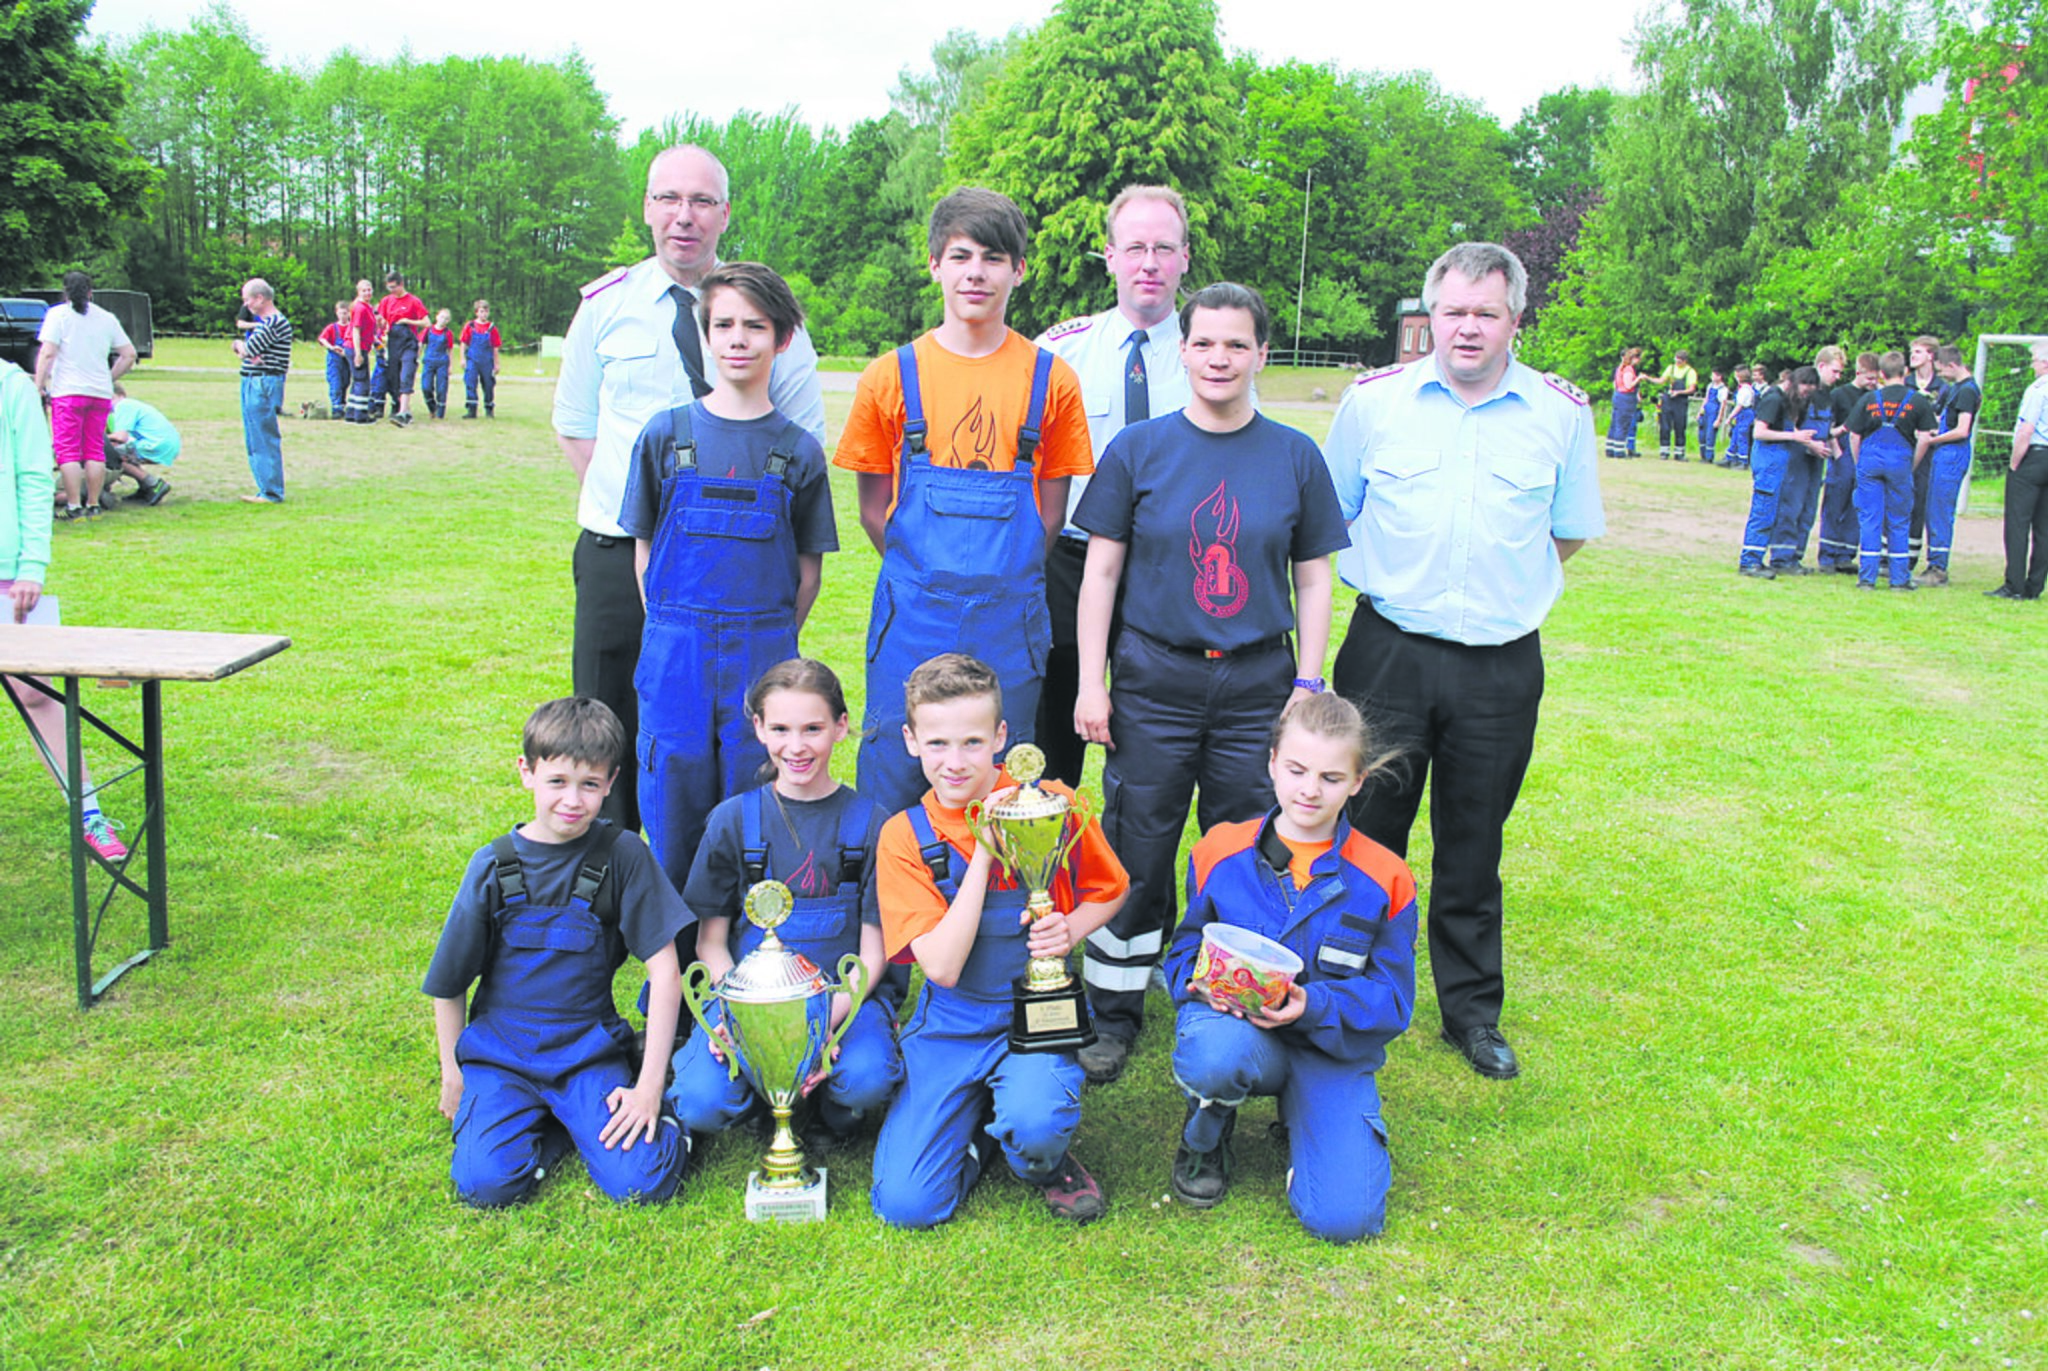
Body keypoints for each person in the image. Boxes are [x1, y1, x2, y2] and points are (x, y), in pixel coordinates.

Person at [1320, 242, 1604, 1081]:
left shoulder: (1560, 412)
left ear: (1517, 317)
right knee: (1366, 828)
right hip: (1387, 653)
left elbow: (1569, 526)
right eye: (1453, 311)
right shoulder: (1374, 403)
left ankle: (1471, 1013)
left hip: (1498, 664)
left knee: (1476, 840)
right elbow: (1334, 512)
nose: (1468, 327)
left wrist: (1495, 591)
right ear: (1428, 315)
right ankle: (1344, 981)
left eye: (1487, 311)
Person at [1066, 282, 1347, 1084]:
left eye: (1237, 344)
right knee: (1138, 844)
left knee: (1244, 849)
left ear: (1262, 353)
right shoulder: (1140, 450)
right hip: (1154, 679)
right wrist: (1094, 681)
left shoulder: (1294, 455)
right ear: (1181, 351)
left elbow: (1316, 579)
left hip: (1259, 684)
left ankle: (1231, 995)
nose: (1220, 358)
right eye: (1205, 343)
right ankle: (1115, 1011)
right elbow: (1102, 572)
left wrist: (1309, 681)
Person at [553, 144, 826, 835]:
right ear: (646, 208)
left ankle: (725, 886)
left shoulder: (766, 317)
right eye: (669, 199)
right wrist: (654, 522)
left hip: (734, 583)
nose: (685, 217)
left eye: (702, 201)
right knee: (606, 730)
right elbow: (577, 426)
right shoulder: (605, 308)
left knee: (736, 738)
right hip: (623, 557)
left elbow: (800, 450)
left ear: (725, 214)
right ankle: (611, 884)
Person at [833, 188, 1092, 818]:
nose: (976, 272)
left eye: (994, 258)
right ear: (935, 264)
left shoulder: (1051, 379)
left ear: (1019, 270)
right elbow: (876, 511)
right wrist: (930, 573)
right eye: (961, 255)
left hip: (1012, 617)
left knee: (1009, 771)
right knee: (897, 762)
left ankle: (1002, 911)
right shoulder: (890, 376)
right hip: (914, 610)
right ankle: (891, 908)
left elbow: (1049, 515)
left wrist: (997, 571)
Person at [868, 654, 1128, 1228]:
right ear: (911, 741)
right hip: (951, 1024)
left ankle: (1044, 1157)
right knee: (906, 1207)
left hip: (1037, 1011)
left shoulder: (1050, 803)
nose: (954, 763)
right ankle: (981, 1131)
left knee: (1035, 1129)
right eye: (937, 744)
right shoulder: (904, 837)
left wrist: (1071, 928)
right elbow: (941, 968)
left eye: (972, 742)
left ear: (1001, 737)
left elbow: (1112, 889)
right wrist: (986, 851)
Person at [1163, 693, 1417, 1242]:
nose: (1309, 789)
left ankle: (1310, 1123)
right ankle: (1208, 1128)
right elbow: (1183, 950)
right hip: (1235, 1031)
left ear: (1357, 780)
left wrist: (1315, 1004)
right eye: (1297, 770)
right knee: (1215, 1055)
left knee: (1344, 1220)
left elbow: (1394, 1002)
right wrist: (1201, 985)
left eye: (1330, 777)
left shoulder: (1387, 877)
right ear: (1273, 761)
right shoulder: (1218, 851)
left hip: (1328, 1045)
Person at [616, 263, 836, 890]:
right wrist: (671, 630)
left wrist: (761, 636)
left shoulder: (797, 451)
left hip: (761, 655)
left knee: (757, 801)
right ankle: (674, 963)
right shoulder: (666, 435)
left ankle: (751, 961)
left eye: (756, 326)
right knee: (672, 798)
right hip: (675, 652)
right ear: (705, 333)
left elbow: (807, 574)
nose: (738, 339)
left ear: (782, 339)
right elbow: (645, 552)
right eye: (725, 325)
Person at [423, 697, 691, 1207]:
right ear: (526, 772)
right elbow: (449, 982)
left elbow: (665, 971)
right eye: (558, 782)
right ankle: (555, 1130)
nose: (573, 800)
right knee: (486, 1185)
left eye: (590, 785)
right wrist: (452, 1071)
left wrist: (649, 1087)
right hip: (501, 1056)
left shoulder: (622, 856)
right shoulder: (491, 867)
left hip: (586, 1053)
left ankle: (652, 1124)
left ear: (611, 783)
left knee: (641, 1183)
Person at [666, 659, 901, 1142]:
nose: (796, 747)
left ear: (840, 727)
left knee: (866, 1083)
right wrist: (747, 1022)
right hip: (745, 1003)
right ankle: (762, 1092)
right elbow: (711, 942)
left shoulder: (871, 823)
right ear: (758, 728)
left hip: (842, 1003)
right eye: (780, 729)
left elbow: (874, 952)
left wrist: (815, 1030)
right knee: (699, 1104)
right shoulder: (733, 821)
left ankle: (831, 1110)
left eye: (813, 728)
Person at [1032, 185, 1194, 791]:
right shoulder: (1058, 351)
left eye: (1163, 247)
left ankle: (1133, 871)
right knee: (1050, 742)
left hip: (1168, 570)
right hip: (1070, 564)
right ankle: (1046, 867)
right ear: (1109, 255)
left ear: (1185, 256)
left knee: (1150, 743)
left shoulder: (1207, 352)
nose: (1148, 263)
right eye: (1134, 248)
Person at [2, 359, 128, 861]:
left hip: (10, 572)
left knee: (35, 698)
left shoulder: (11, 385)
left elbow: (35, 477)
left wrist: (32, 564)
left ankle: (89, 813)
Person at [33, 271, 136, 521]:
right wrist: (109, 377)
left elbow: (47, 353)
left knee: (67, 451)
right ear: (91, 292)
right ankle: (93, 503)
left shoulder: (58, 315)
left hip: (68, 392)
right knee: (94, 450)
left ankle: (73, 505)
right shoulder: (106, 318)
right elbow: (129, 354)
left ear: (65, 292)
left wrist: (39, 384)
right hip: (99, 393)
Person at [1846, 351, 1938, 591]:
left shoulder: (1868, 399)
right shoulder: (1918, 400)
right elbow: (1926, 437)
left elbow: (1853, 435)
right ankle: (1899, 579)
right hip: (1900, 461)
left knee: (1870, 519)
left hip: (1870, 460)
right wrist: (1912, 465)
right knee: (1899, 520)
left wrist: (1859, 463)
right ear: (1905, 372)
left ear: (1881, 374)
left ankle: (1867, 578)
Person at [1739, 366, 1827, 580]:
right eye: (1805, 391)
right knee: (1763, 511)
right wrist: (1794, 437)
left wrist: (1809, 442)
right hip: (1767, 459)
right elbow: (1759, 432)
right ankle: (1750, 560)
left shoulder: (1788, 399)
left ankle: (1759, 559)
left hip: (1779, 461)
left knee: (1772, 513)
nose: (1805, 396)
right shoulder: (1774, 398)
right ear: (1795, 383)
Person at [1768, 349, 1844, 575]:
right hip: (1797, 456)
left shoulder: (1828, 397)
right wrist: (1810, 445)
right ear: (1821, 366)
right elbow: (1791, 426)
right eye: (1835, 371)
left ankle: (1796, 557)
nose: (1838, 377)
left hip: (1817, 459)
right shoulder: (1800, 393)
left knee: (1808, 509)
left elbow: (1827, 428)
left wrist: (1835, 451)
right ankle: (1781, 557)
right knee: (1791, 506)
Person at [1986, 340, 2048, 601]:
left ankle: (2014, 584)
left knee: (2018, 523)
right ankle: (2035, 585)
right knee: (2044, 527)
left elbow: (2026, 429)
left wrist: (2014, 463)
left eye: (2034, 360)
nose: (2032, 365)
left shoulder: (2038, 390)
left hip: (2034, 457)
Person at [1918, 345, 1982, 588]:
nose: (1941, 375)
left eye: (1942, 370)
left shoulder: (1966, 391)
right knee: (1933, 509)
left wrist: (1932, 440)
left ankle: (1938, 568)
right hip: (1945, 451)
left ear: (1953, 366)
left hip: (1952, 454)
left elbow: (1962, 430)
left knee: (1940, 511)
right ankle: (1934, 563)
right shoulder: (1957, 388)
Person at [232, 279, 291, 506]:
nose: (246, 305)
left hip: (261, 382)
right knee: (256, 437)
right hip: (256, 380)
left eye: (247, 299)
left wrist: (239, 345)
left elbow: (249, 350)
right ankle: (266, 488)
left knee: (262, 437)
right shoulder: (269, 323)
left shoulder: (272, 323)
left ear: (260, 298)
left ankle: (270, 491)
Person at [1819, 352, 1879, 574]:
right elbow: (1829, 427)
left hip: (1866, 453)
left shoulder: (1876, 397)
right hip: (1843, 451)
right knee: (1835, 504)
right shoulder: (1839, 395)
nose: (1873, 383)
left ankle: (1846, 554)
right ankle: (1827, 555)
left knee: (1857, 505)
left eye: (1876, 378)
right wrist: (1838, 454)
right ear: (1858, 373)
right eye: (1870, 378)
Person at [1905, 334, 1949, 570]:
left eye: (1918, 352)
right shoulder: (1904, 383)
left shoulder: (1942, 388)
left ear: (1931, 356)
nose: (1913, 355)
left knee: (1921, 501)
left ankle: (1912, 555)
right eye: (1912, 351)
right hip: (1903, 448)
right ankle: (1888, 554)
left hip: (1929, 452)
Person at [102, 384, 176, 506]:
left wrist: (98, 438)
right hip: (165, 443)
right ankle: (144, 488)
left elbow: (121, 437)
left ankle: (153, 484)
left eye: (111, 398)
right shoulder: (131, 405)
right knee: (122, 451)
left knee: (112, 455)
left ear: (122, 396)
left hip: (156, 445)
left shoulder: (123, 405)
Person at [376, 272, 429, 427]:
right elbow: (382, 321)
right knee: (394, 376)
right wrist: (380, 323)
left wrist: (408, 320)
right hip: (393, 342)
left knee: (406, 374)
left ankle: (403, 413)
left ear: (401, 284)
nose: (391, 290)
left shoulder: (413, 301)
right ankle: (401, 407)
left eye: (393, 287)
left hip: (409, 342)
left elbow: (427, 323)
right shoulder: (386, 301)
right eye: (389, 287)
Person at [1646, 349, 1698, 460]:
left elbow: (1692, 389)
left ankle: (1679, 453)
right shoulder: (1671, 368)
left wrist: (1679, 392)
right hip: (1668, 400)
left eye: (1679, 362)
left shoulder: (1690, 372)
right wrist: (1648, 378)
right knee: (1665, 426)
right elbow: (1662, 380)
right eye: (1676, 361)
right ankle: (1664, 451)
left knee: (1680, 426)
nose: (1677, 363)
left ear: (1685, 361)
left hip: (1681, 401)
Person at [460, 300, 500, 420]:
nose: (484, 314)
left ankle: (489, 408)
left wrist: (496, 364)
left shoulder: (492, 328)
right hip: (472, 359)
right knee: (470, 383)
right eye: (481, 311)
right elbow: (463, 343)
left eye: (486, 311)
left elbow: (495, 347)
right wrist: (462, 359)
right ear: (476, 312)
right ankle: (471, 410)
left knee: (488, 384)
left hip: (487, 361)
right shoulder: (470, 326)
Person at [345, 280, 378, 425]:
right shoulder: (360, 308)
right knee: (362, 381)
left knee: (357, 380)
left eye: (369, 290)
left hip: (362, 345)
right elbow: (356, 330)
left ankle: (351, 412)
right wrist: (358, 353)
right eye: (364, 290)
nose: (367, 293)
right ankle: (360, 414)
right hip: (355, 346)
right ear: (358, 292)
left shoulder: (367, 307)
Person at [1607, 346, 1643, 459]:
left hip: (1618, 396)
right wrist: (1639, 379)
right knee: (1622, 424)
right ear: (1635, 358)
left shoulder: (1620, 368)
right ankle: (1619, 451)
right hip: (1625, 398)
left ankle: (1610, 448)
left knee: (1615, 423)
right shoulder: (1628, 369)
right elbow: (1628, 385)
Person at [317, 302, 351, 420]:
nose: (343, 315)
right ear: (336, 313)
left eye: (345, 313)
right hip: (334, 359)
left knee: (345, 382)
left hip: (347, 360)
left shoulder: (351, 328)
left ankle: (342, 405)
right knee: (335, 383)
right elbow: (322, 339)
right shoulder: (332, 327)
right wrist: (332, 347)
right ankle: (336, 408)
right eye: (341, 313)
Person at [420, 309, 455, 420]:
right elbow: (420, 344)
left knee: (441, 388)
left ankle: (440, 412)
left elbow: (450, 350)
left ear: (448, 321)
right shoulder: (428, 330)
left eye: (446, 318)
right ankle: (432, 407)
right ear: (436, 316)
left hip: (442, 362)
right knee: (426, 386)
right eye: (442, 317)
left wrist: (450, 366)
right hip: (429, 361)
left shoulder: (448, 333)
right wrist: (416, 358)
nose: (443, 320)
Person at [1725, 366, 1755, 470]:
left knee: (1742, 437)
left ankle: (1743, 461)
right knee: (1735, 435)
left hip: (1745, 413)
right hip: (1742, 414)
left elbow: (1739, 405)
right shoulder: (1744, 389)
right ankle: (1730, 457)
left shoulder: (1745, 390)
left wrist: (1730, 417)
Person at [1696, 368, 1726, 467]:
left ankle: (1709, 457)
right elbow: (1706, 398)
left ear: (1719, 377)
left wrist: (1719, 419)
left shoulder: (1723, 389)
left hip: (1714, 412)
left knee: (1710, 434)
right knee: (1702, 433)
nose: (1712, 377)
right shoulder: (1710, 386)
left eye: (1714, 375)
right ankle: (1702, 455)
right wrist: (1700, 411)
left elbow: (1723, 405)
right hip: (1706, 411)